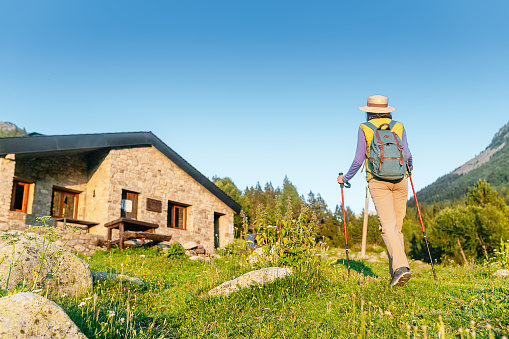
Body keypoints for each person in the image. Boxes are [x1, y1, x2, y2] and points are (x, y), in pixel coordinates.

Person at [337, 94, 413, 287]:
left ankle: (401, 268)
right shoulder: (399, 126)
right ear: (387, 111)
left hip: (378, 181)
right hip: (401, 179)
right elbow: (408, 155)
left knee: (387, 226)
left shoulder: (365, 128)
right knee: (396, 228)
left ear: (369, 112)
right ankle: (396, 275)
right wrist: (409, 168)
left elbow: (358, 160)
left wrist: (344, 179)